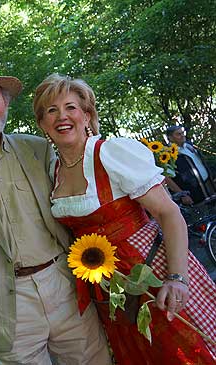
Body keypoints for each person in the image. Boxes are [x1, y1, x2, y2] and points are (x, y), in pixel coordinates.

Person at [0, 64, 111, 364]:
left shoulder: (38, 149)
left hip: (62, 282)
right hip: (2, 301)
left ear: (6, 104)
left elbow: (73, 202)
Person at [33, 73, 216, 364]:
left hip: (154, 272)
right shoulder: (54, 171)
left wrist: (177, 278)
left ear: (86, 115)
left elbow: (169, 214)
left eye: (70, 107)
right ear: (42, 124)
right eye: (51, 111)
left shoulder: (109, 153)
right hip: (109, 290)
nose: (61, 117)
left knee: (183, 352)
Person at [165, 125, 215, 205]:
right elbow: (167, 178)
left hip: (208, 185)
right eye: (178, 134)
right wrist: (182, 194)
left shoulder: (188, 146)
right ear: (170, 137)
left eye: (182, 133)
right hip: (192, 194)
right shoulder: (168, 154)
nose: (182, 135)